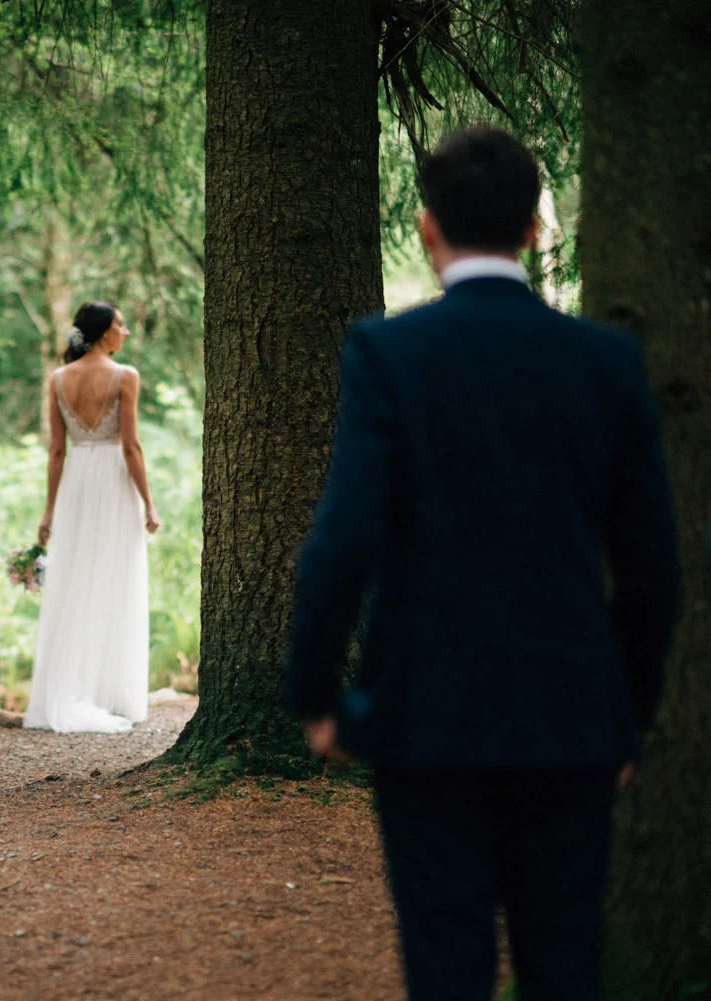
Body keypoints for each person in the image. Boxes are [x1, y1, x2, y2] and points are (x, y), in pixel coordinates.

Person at [284, 126, 680, 1001]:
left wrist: (318, 700)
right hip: (573, 720)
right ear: (537, 229)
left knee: (448, 965)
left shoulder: (389, 355)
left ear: (427, 229)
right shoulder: (608, 362)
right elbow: (653, 566)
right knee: (566, 964)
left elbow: (342, 540)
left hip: (429, 720)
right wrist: (628, 715)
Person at [24, 301, 161, 733]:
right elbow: (130, 446)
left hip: (77, 486)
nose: (126, 333)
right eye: (121, 326)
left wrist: (49, 510)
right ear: (104, 333)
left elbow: (57, 451)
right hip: (116, 483)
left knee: (75, 581)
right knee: (117, 579)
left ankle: (70, 688)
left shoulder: (59, 379)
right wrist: (149, 503)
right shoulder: (125, 376)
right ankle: (113, 695)